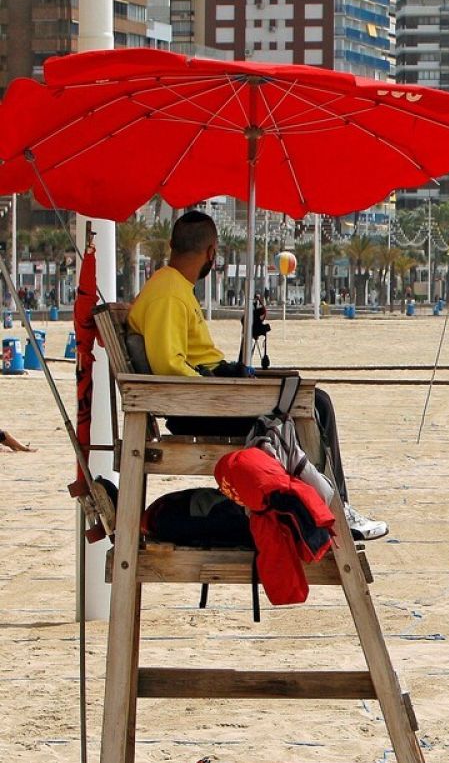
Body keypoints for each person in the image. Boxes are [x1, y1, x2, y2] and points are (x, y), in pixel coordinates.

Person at [129, 212, 388, 540]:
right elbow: (169, 366)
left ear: (171, 245)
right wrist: (227, 393)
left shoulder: (173, 286)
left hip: (209, 396)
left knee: (314, 401)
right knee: (313, 406)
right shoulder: (168, 293)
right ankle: (336, 510)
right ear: (212, 252)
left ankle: (334, 506)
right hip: (200, 407)